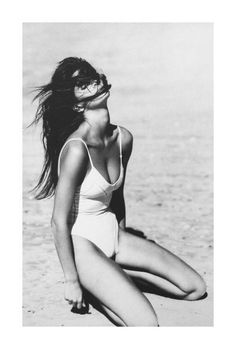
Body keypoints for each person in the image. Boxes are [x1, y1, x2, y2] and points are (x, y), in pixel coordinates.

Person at [32, 57, 206, 327]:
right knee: (146, 324)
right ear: (77, 103)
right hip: (82, 244)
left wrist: (121, 236)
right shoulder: (77, 148)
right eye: (82, 83)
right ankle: (94, 284)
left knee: (194, 288)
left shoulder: (123, 138)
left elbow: (117, 197)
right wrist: (72, 280)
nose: (93, 82)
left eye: (93, 76)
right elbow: (58, 221)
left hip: (111, 232)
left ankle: (111, 278)